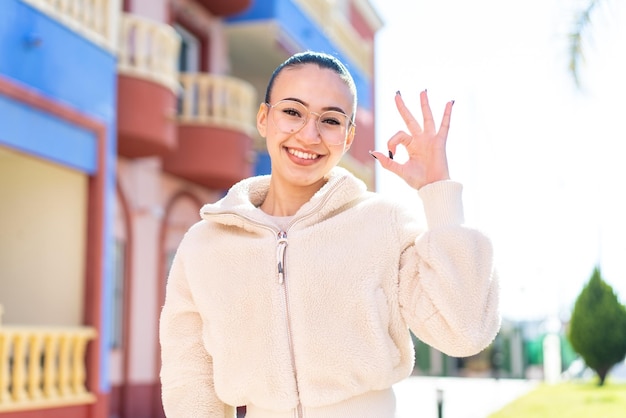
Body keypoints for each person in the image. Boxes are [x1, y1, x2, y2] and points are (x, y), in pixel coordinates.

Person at [159, 51, 500, 417]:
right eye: (292, 112)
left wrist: (438, 192)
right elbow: (189, 377)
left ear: (349, 136)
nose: (309, 135)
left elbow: (465, 331)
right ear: (264, 118)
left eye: (331, 120)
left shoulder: (384, 223)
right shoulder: (205, 244)